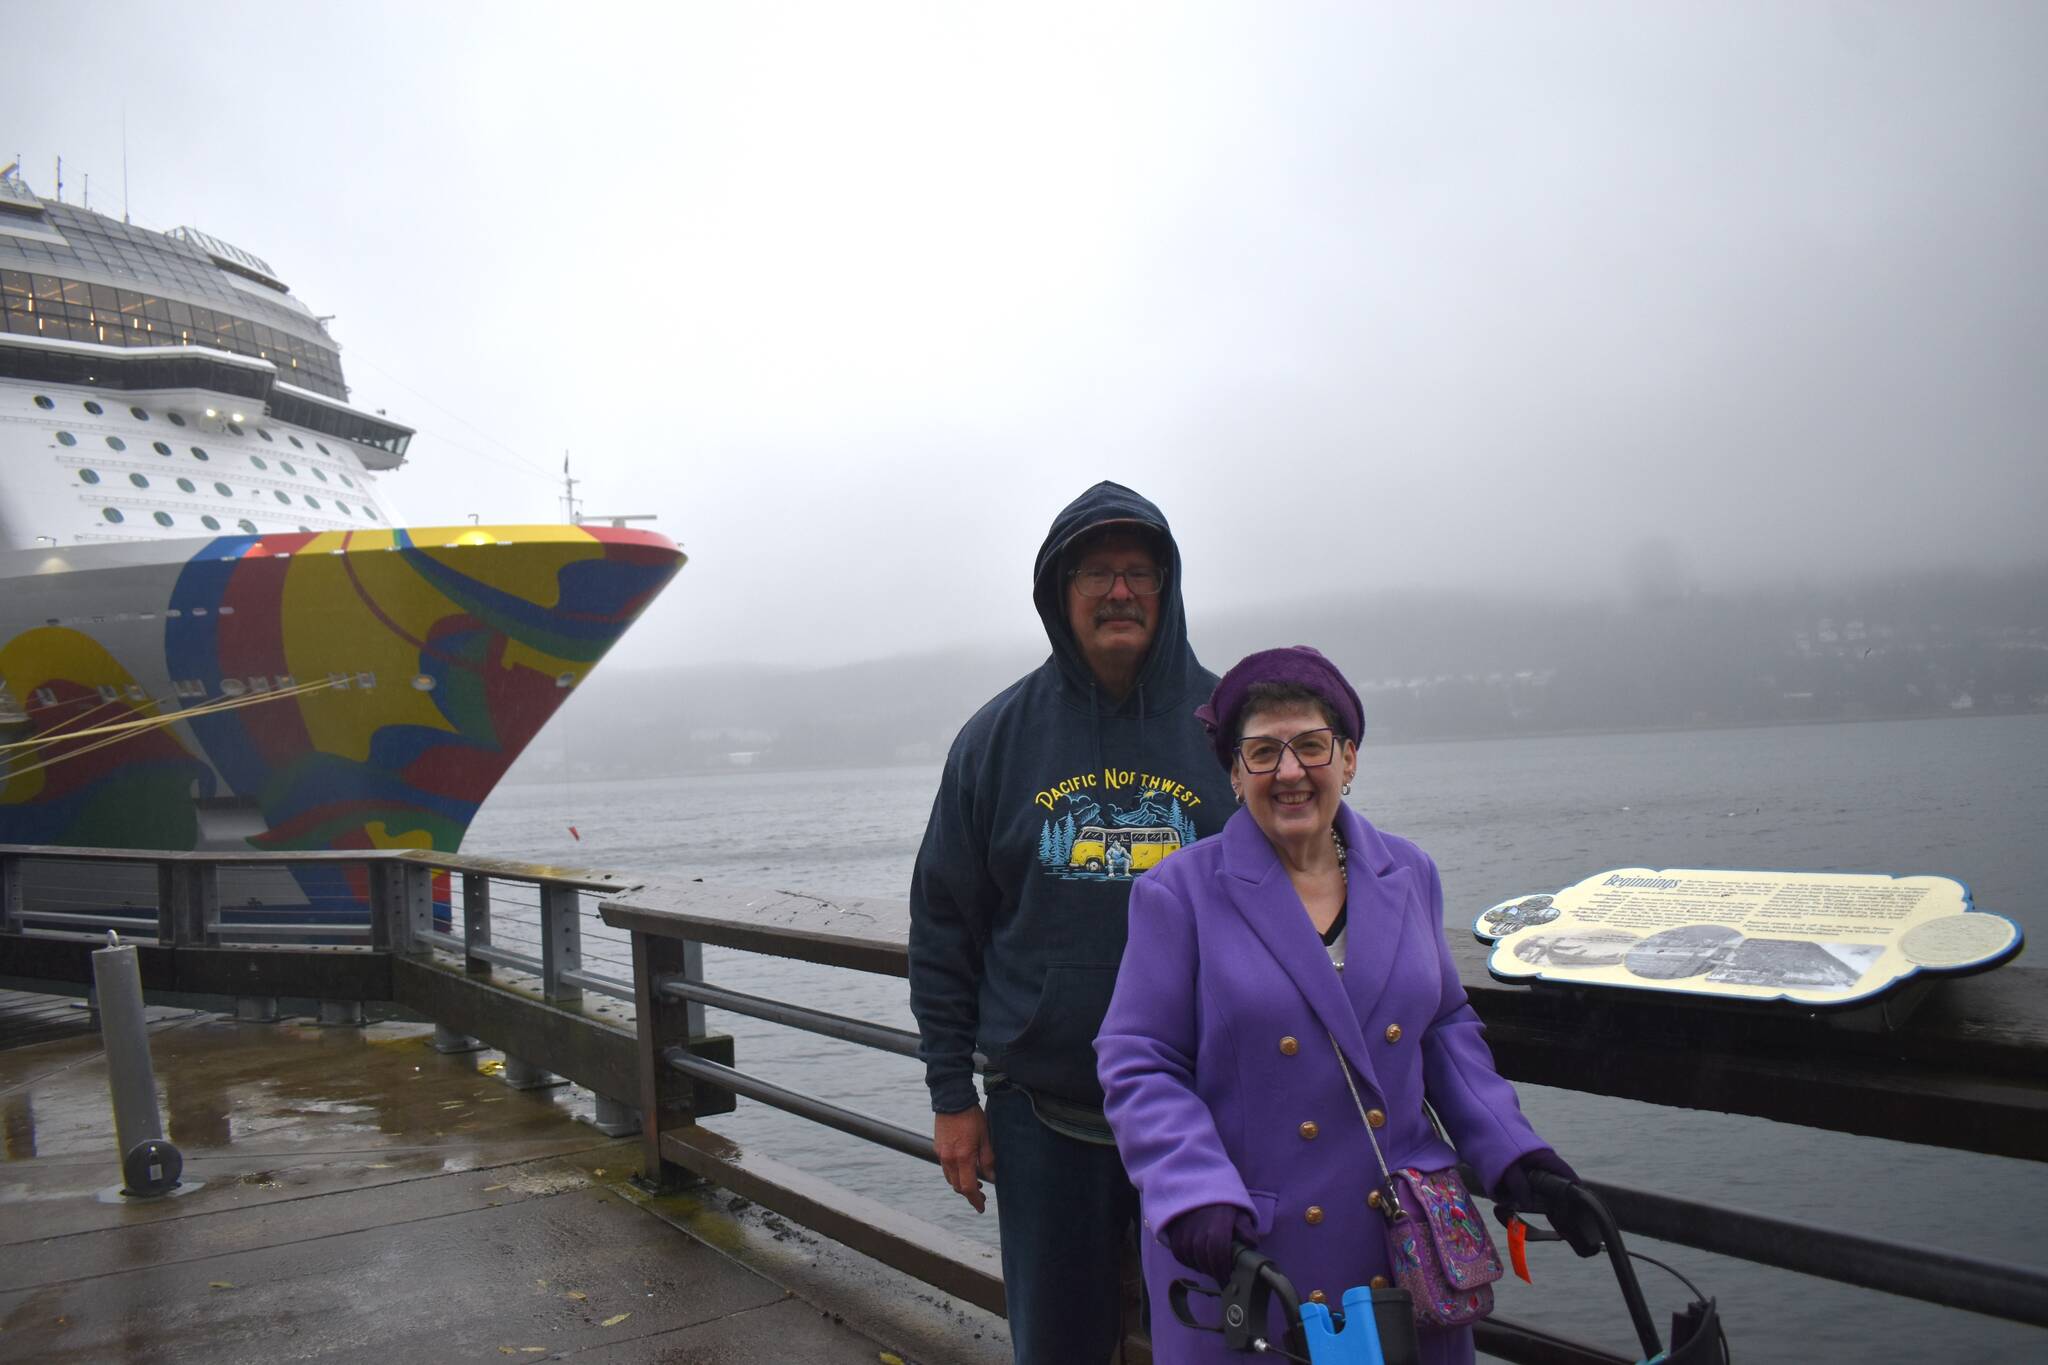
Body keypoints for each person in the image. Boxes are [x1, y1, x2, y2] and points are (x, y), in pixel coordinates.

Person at [1095, 646, 1602, 1365]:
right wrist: (1194, 1195)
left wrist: (1516, 1155)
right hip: (1249, 1256)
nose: (1291, 771)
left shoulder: (1410, 871)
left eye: (1310, 745)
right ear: (1235, 773)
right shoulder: (1177, 893)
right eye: (1263, 751)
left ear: (1350, 758)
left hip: (1403, 1258)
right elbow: (1138, 1060)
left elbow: (1444, 1027)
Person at [909, 481, 1237, 1363]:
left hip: (1210, 1116)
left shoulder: (1231, 728)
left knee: (1217, 1345)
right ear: (1061, 593)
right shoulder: (996, 740)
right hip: (1042, 1115)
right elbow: (943, 926)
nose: (1119, 591)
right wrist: (951, 1093)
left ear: (1167, 589)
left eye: (1139, 570)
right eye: (1096, 571)